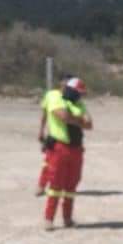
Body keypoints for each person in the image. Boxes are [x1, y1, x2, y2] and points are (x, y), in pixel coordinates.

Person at [41, 77, 93, 230]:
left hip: (76, 149)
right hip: (59, 147)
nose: (80, 96)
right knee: (56, 183)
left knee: (72, 185)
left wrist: (74, 119)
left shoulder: (79, 104)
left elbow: (89, 124)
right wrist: (79, 120)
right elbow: (62, 116)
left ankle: (67, 218)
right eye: (78, 93)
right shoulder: (55, 98)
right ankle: (49, 218)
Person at [35, 71, 73, 197]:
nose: (67, 84)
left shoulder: (72, 98)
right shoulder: (51, 95)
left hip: (70, 138)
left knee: (66, 166)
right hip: (54, 136)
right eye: (66, 81)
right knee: (49, 163)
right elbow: (44, 114)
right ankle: (41, 185)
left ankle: (60, 185)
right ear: (60, 82)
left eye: (70, 82)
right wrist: (41, 130)